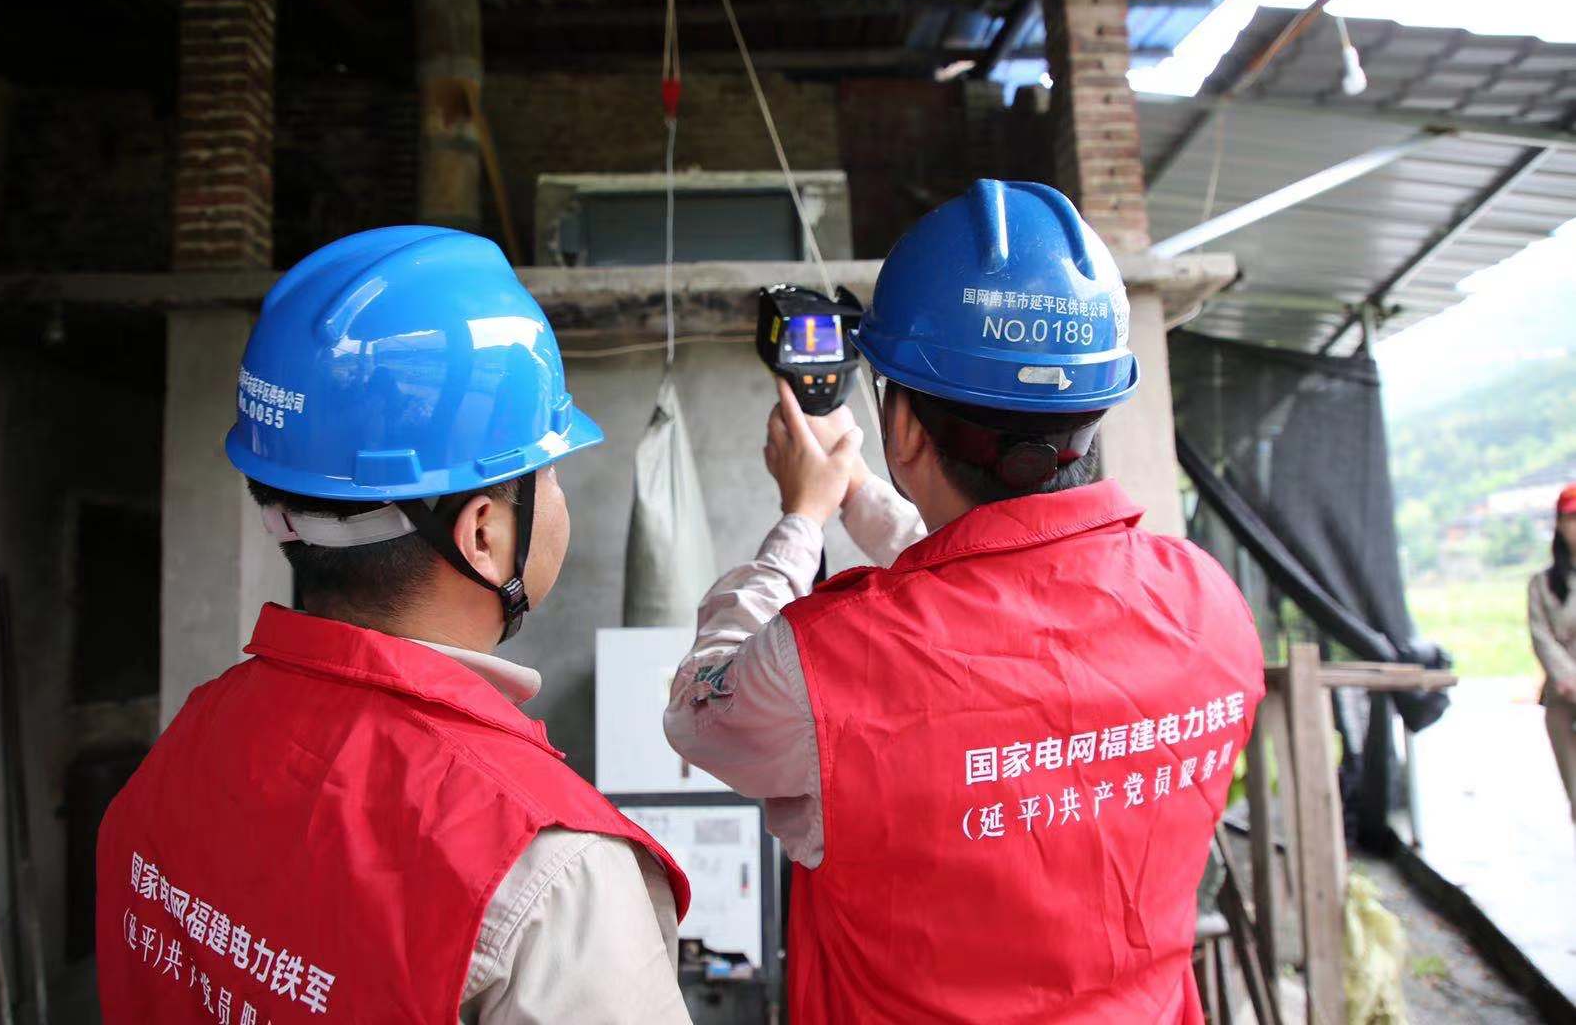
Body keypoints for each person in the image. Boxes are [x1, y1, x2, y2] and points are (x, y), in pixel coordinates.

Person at [665, 180, 1266, 1023]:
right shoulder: (1209, 604)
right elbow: (1006, 581)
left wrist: (801, 520)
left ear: (906, 428)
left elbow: (698, 712)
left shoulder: (829, 664)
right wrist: (854, 491)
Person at [97, 227, 692, 1024]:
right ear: (484, 533)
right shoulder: (551, 876)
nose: (559, 500)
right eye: (548, 473)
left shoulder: (189, 742)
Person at [1528, 484, 1576, 830]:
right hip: (1563, 697)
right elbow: (1541, 636)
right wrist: (1568, 678)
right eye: (1572, 518)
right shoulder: (1543, 584)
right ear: (1559, 524)